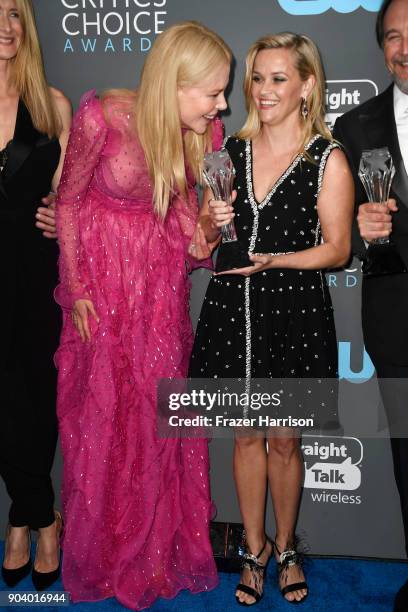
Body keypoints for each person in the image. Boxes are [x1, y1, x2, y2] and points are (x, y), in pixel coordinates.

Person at [54, 21, 231, 610]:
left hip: (159, 296)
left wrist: (210, 229)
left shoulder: (204, 137)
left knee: (158, 416)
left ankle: (155, 554)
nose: (221, 104)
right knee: (104, 418)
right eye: (212, 92)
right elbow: (72, 204)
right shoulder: (103, 116)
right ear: (176, 85)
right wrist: (77, 287)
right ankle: (102, 556)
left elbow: (192, 242)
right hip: (101, 293)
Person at [189, 32, 354, 605]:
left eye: (278, 78)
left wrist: (275, 262)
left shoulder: (326, 157)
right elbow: (198, 245)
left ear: (307, 85)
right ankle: (253, 550)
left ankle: (286, 547)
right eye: (257, 77)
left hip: (295, 312)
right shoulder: (225, 152)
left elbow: (337, 249)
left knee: (285, 442)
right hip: (233, 310)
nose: (262, 90)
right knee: (245, 437)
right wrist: (210, 223)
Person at [333, 1, 408, 609]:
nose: (405, 47)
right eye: (393, 37)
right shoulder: (356, 127)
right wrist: (363, 230)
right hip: (398, 321)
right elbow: (342, 237)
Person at [0, 0, 71, 592]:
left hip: (34, 271)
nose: (5, 27)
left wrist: (59, 216)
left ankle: (25, 522)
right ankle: (37, 516)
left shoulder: (51, 107)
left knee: (35, 395)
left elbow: (72, 200)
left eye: (14, 14)